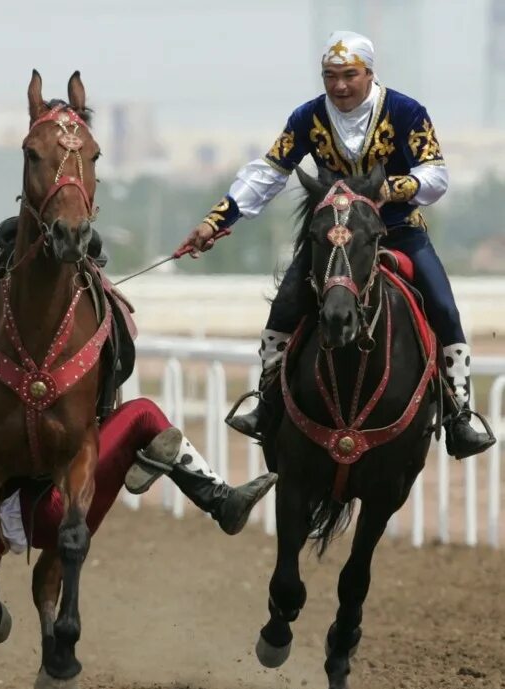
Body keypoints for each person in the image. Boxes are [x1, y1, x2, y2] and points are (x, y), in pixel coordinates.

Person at [176, 30, 495, 461]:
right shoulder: (308, 117)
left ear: (369, 73)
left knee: (443, 305)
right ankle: (266, 403)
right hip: (331, 238)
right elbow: (268, 173)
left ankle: (459, 415)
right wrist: (215, 221)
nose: (339, 85)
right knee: (284, 306)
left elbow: (435, 174)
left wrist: (392, 189)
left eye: (349, 75)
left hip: (397, 230)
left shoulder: (406, 111)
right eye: (330, 76)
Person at [0, 374, 276, 595]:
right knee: (141, 414)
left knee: (125, 426)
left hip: (28, 514)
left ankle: (151, 459)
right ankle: (220, 502)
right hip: (47, 512)